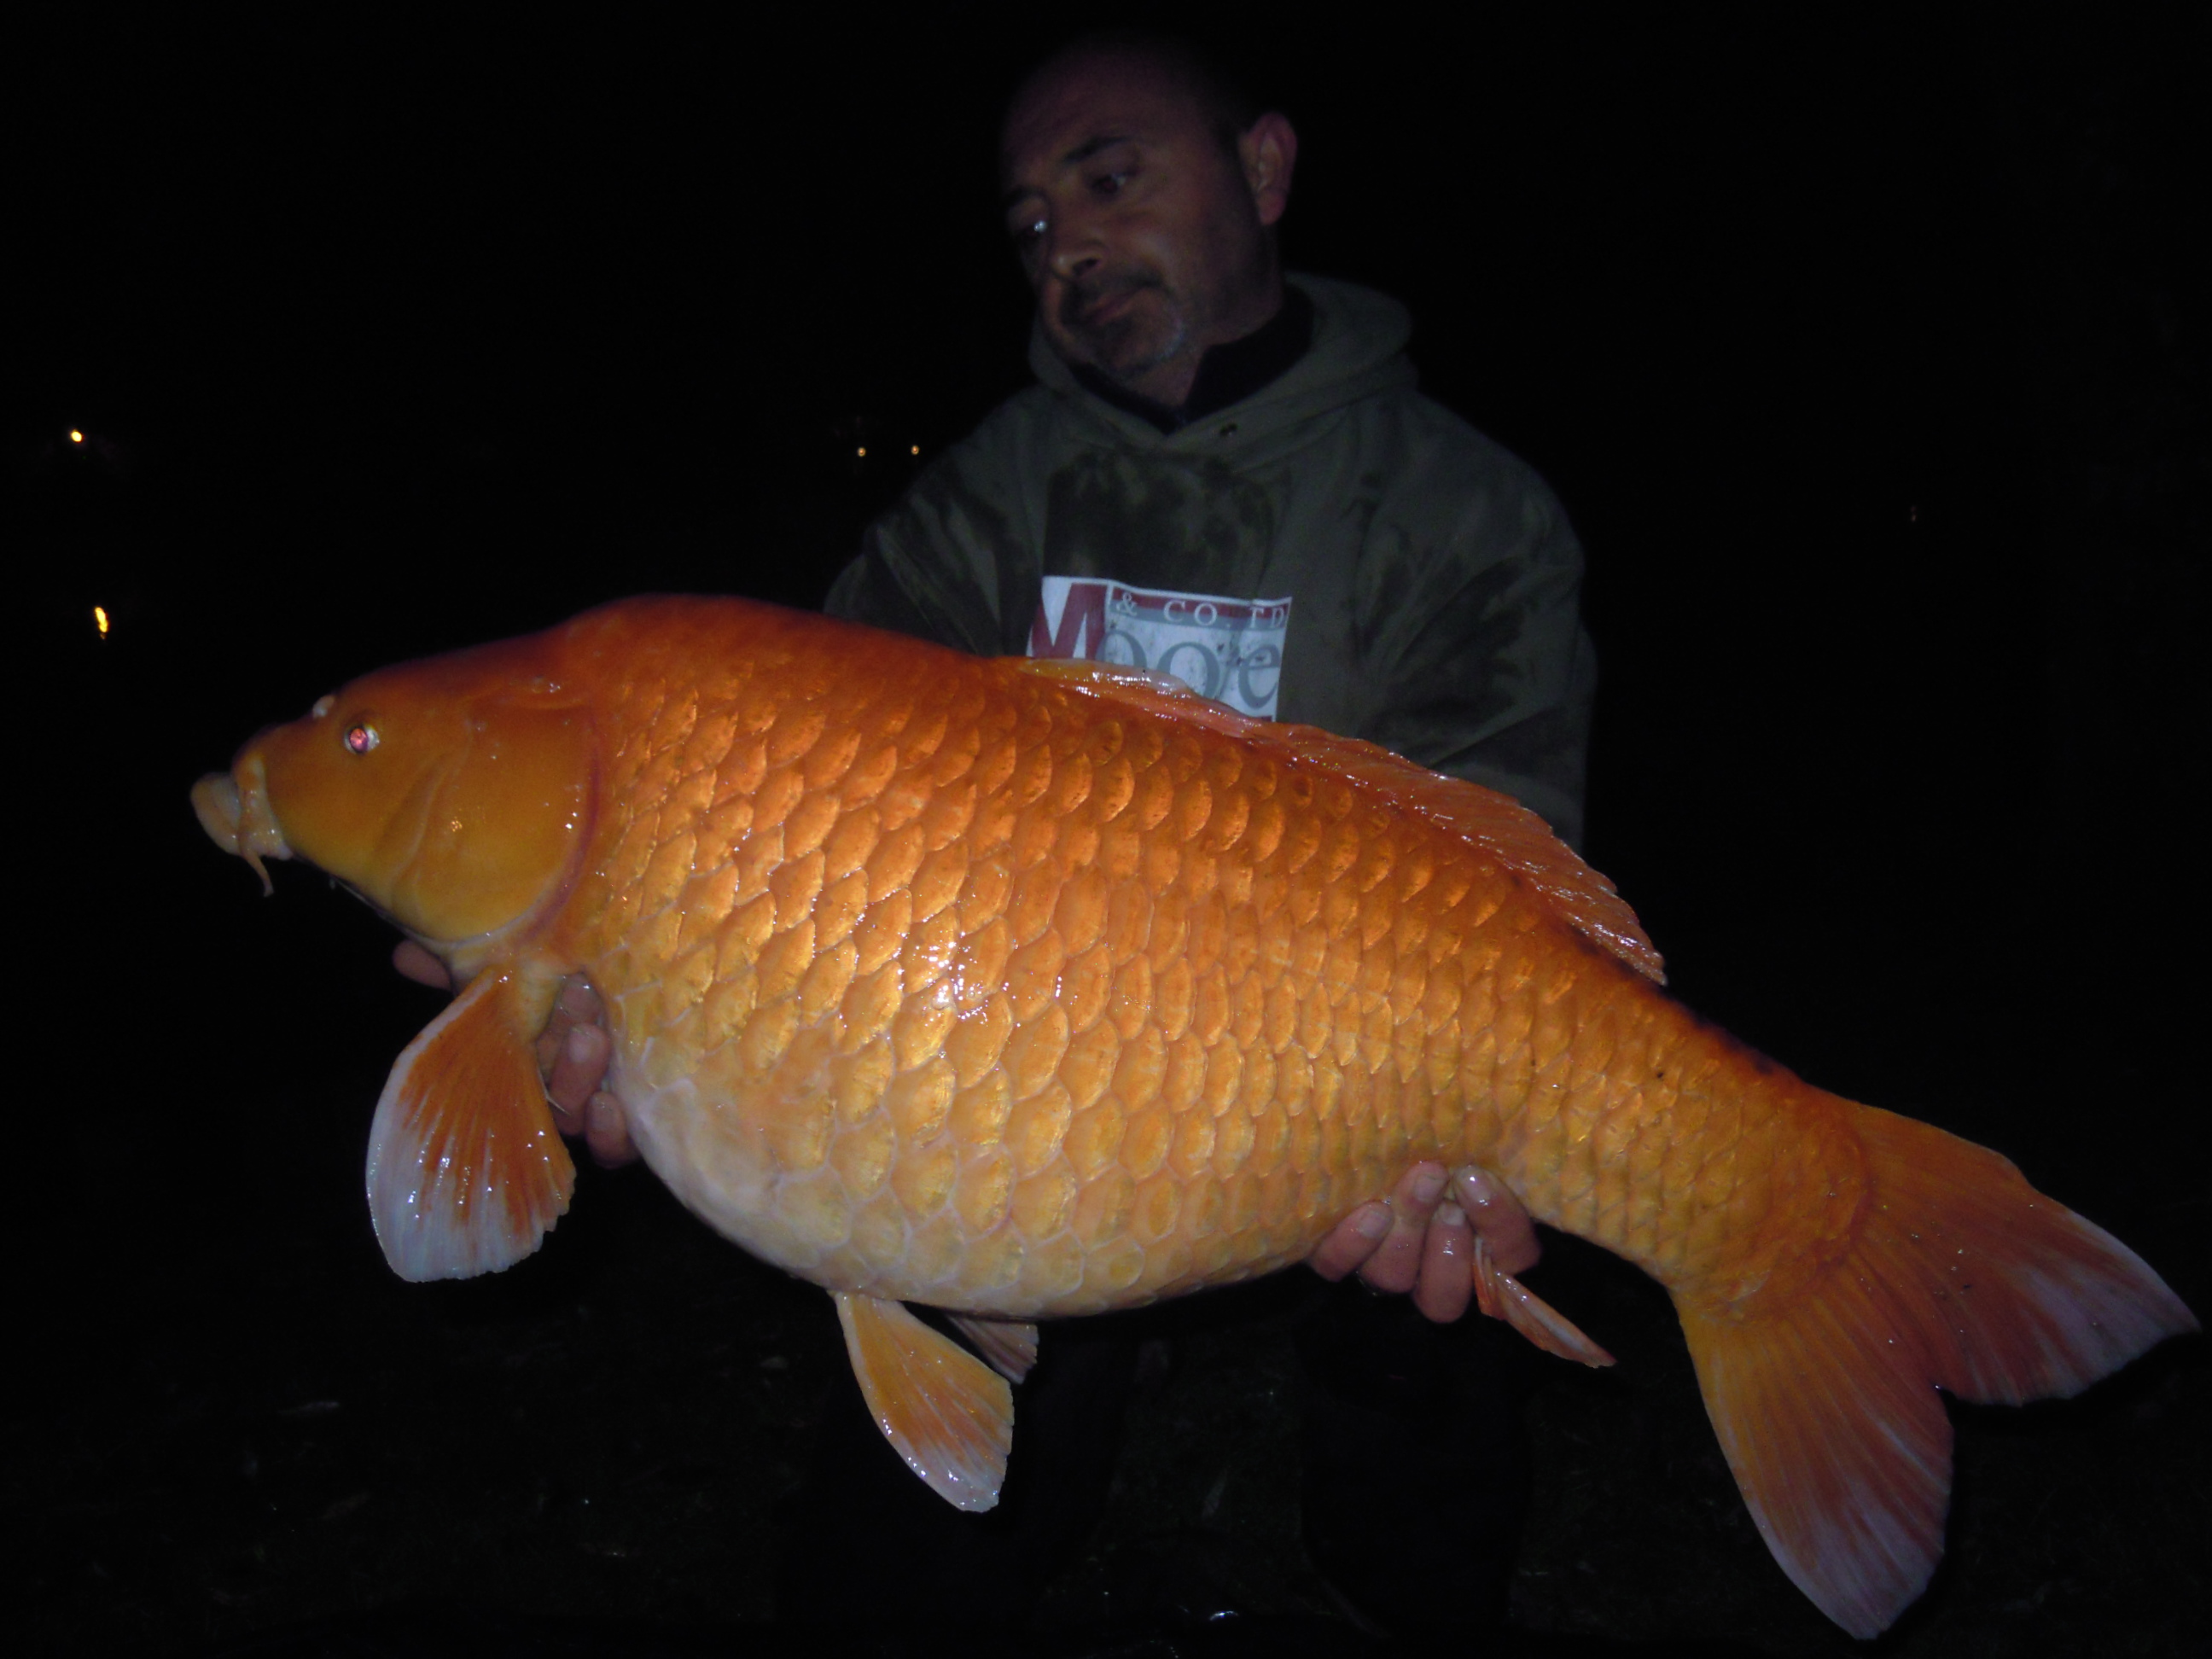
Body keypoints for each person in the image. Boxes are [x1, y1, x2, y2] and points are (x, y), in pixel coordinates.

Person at [400, 26, 1587, 1639]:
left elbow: (1514, 851)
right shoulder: (983, 503)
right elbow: (791, 828)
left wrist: (1493, 1119)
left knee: (1429, 1342)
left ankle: (1403, 1589)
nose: (1069, 245)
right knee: (904, 1526)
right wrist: (642, 1003)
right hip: (1031, 1097)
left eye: (1110, 181)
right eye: (1030, 222)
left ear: (1264, 169)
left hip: (1341, 1079)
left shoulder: (1465, 511)